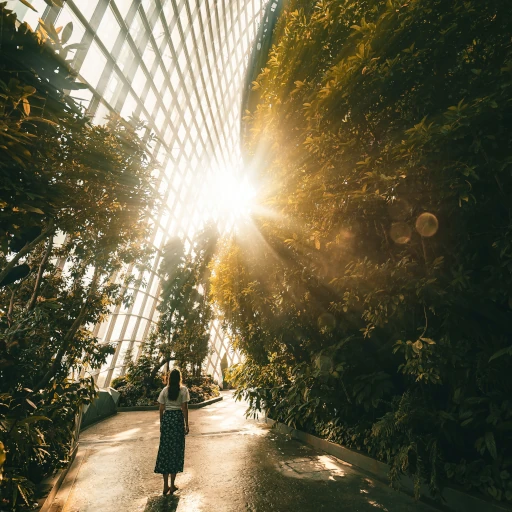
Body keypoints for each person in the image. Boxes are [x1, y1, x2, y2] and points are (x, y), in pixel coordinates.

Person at [154, 368, 190, 495]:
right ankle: (172, 485)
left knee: (165, 451)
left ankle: (165, 486)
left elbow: (161, 408)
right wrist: (186, 424)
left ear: (169, 378)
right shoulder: (183, 390)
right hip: (177, 420)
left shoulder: (165, 390)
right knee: (175, 451)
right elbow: (184, 408)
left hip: (167, 419)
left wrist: (162, 423)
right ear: (179, 378)